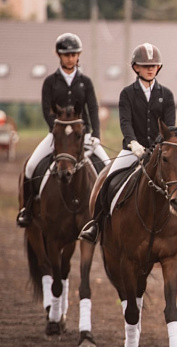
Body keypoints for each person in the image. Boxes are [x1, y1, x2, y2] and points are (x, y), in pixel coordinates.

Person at [79, 43, 177, 249]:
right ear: (136, 68)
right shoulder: (127, 94)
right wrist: (133, 143)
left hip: (160, 151)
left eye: (154, 65)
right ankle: (96, 224)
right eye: (145, 65)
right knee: (110, 180)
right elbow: (125, 122)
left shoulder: (166, 95)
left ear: (158, 68)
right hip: (132, 149)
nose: (150, 68)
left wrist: (157, 148)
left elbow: (167, 129)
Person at [17, 33, 108, 227]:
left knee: (107, 166)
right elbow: (46, 108)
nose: (70, 58)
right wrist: (57, 128)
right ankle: (27, 208)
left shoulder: (85, 82)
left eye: (74, 54)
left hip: (83, 135)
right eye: (66, 55)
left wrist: (97, 136)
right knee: (31, 166)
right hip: (57, 135)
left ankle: (106, 213)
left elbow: (92, 109)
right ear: (59, 55)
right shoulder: (50, 82)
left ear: (78, 56)